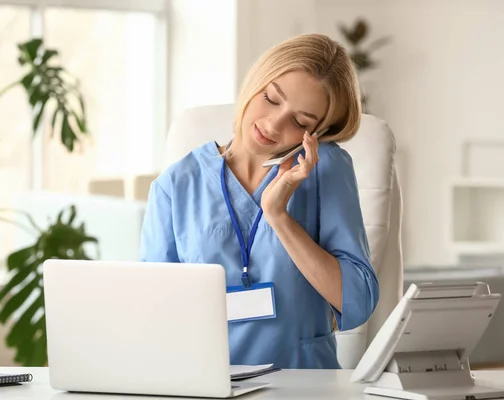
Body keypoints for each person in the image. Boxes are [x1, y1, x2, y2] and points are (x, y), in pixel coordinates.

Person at [139, 33, 379, 369]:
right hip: (210, 385)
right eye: (271, 98)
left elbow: (357, 304)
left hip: (305, 386)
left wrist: (278, 216)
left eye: (300, 122)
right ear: (256, 81)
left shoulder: (325, 169)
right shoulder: (176, 185)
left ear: (317, 132)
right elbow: (153, 314)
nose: (273, 123)